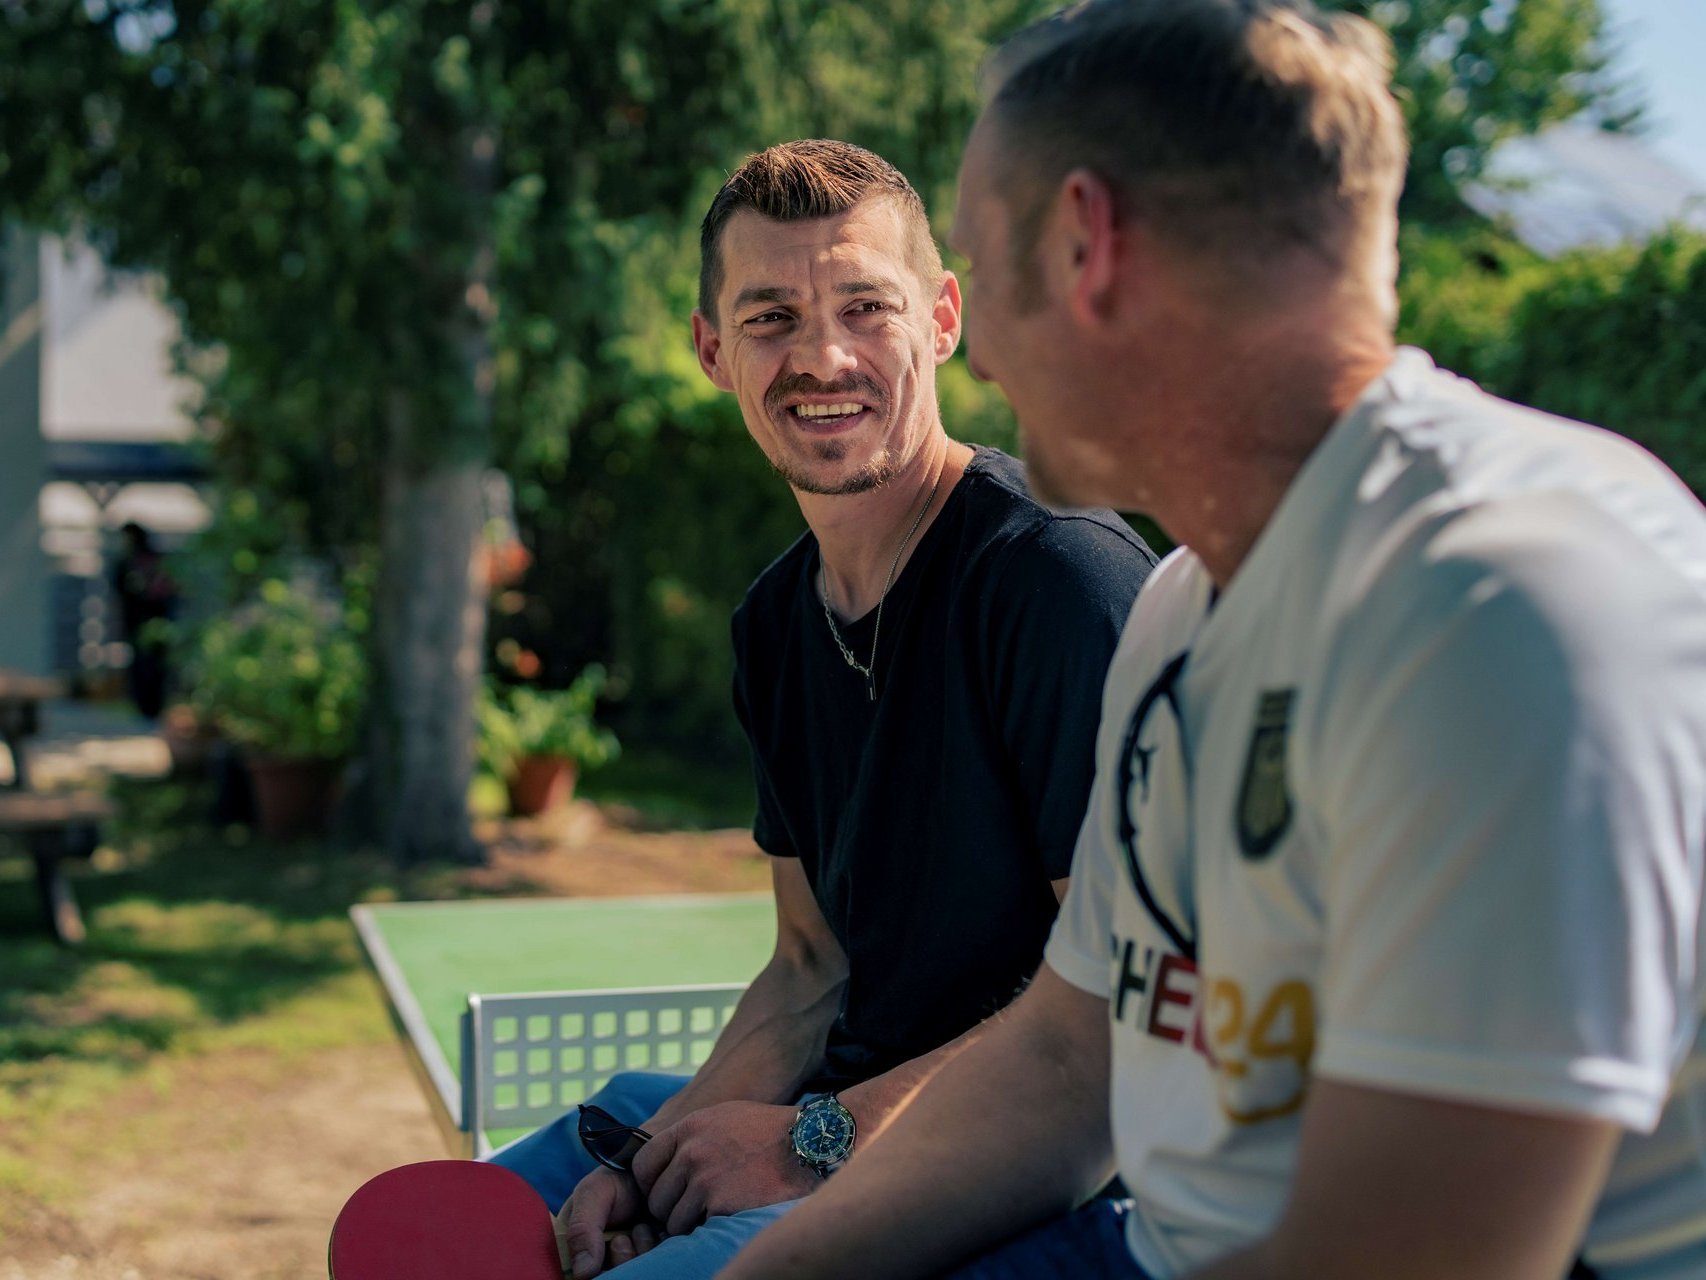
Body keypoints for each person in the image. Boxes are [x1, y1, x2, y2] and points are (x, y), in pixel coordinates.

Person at [722, 4, 1706, 1279]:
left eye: (970, 263)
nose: (967, 356)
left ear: (1082, 245)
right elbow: (1074, 1054)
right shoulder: (1188, 607)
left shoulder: (1507, 604)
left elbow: (1409, 1255)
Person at [488, 139, 1156, 1279]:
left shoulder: (1056, 577)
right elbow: (810, 963)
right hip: (842, 1115)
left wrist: (809, 1144)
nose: (823, 355)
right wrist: (653, 1157)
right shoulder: (771, 624)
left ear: (942, 317)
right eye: (768, 318)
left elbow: (1121, 1016)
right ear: (710, 349)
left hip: (1063, 1173)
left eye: (864, 304)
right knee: (493, 1221)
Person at [111, 521, 179, 719]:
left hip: (150, 623)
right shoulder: (137, 560)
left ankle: (150, 707)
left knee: (149, 666)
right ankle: (148, 707)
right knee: (147, 667)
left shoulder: (140, 560)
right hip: (145, 623)